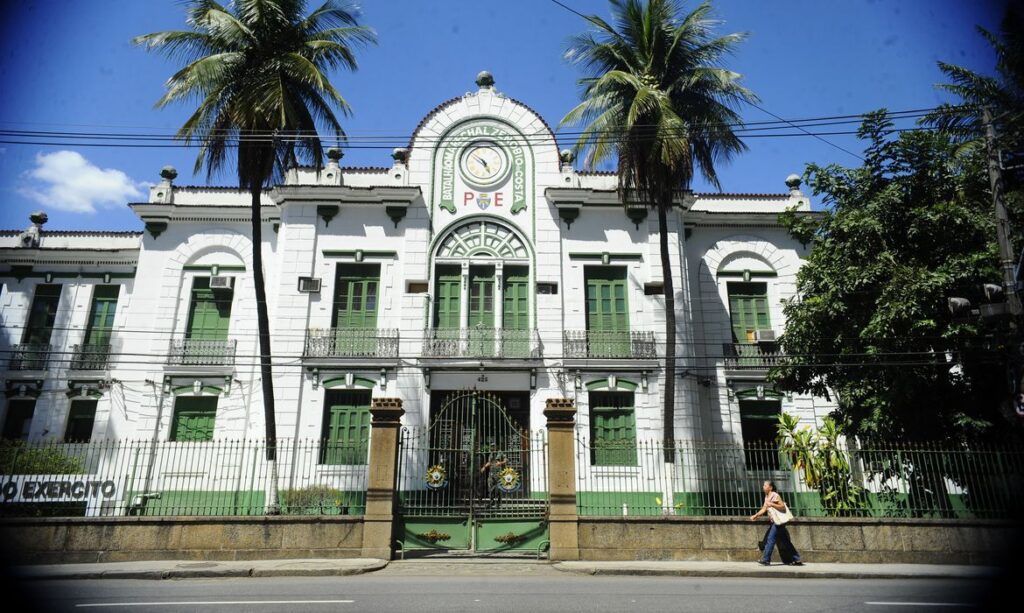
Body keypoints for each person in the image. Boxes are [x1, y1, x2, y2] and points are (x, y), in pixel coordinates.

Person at [750, 480, 803, 566]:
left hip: (778, 522)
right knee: (785, 541)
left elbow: (782, 507)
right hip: (775, 521)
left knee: (770, 539)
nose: (763, 487)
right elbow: (764, 509)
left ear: (770, 487)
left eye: (765, 485)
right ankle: (796, 559)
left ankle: (766, 559)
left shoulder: (775, 495)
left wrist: (772, 504)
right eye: (763, 485)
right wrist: (756, 515)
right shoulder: (767, 497)